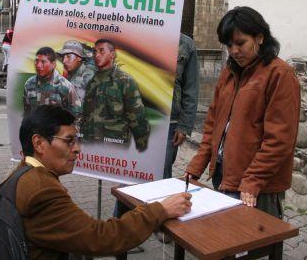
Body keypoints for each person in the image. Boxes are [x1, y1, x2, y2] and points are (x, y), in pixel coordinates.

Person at [16, 105, 192, 259]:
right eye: (69, 141)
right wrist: (161, 209)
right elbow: (102, 238)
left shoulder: (24, 172)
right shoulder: (41, 192)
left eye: (76, 140)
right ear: (39, 144)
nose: (77, 149)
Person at [185, 6, 300, 219]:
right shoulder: (229, 72)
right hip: (224, 174)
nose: (234, 51)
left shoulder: (280, 75)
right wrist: (198, 163)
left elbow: (279, 139)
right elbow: (213, 123)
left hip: (258, 187)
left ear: (260, 38)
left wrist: (253, 180)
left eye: (240, 43)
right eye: (229, 45)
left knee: (253, 245)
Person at [81, 39, 150, 151]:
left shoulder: (124, 81)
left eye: (102, 51)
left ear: (112, 55)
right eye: (95, 52)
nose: (97, 55)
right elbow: (86, 116)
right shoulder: (92, 82)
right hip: (90, 146)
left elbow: (137, 116)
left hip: (114, 147)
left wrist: (141, 145)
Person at [163, 33, 199, 179]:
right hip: (133, 120)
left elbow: (191, 89)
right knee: (128, 180)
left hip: (168, 124)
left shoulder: (185, 44)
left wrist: (184, 126)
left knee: (161, 176)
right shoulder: (135, 33)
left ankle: (163, 203)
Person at [23, 47, 81, 121]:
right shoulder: (29, 84)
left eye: (43, 62)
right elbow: (27, 112)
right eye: (37, 61)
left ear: (53, 64)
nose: (38, 65)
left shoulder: (65, 86)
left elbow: (76, 115)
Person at [56, 40, 96, 104]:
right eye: (63, 57)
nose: (64, 61)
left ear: (79, 58)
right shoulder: (73, 72)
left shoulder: (87, 74)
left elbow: (73, 104)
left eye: (68, 56)